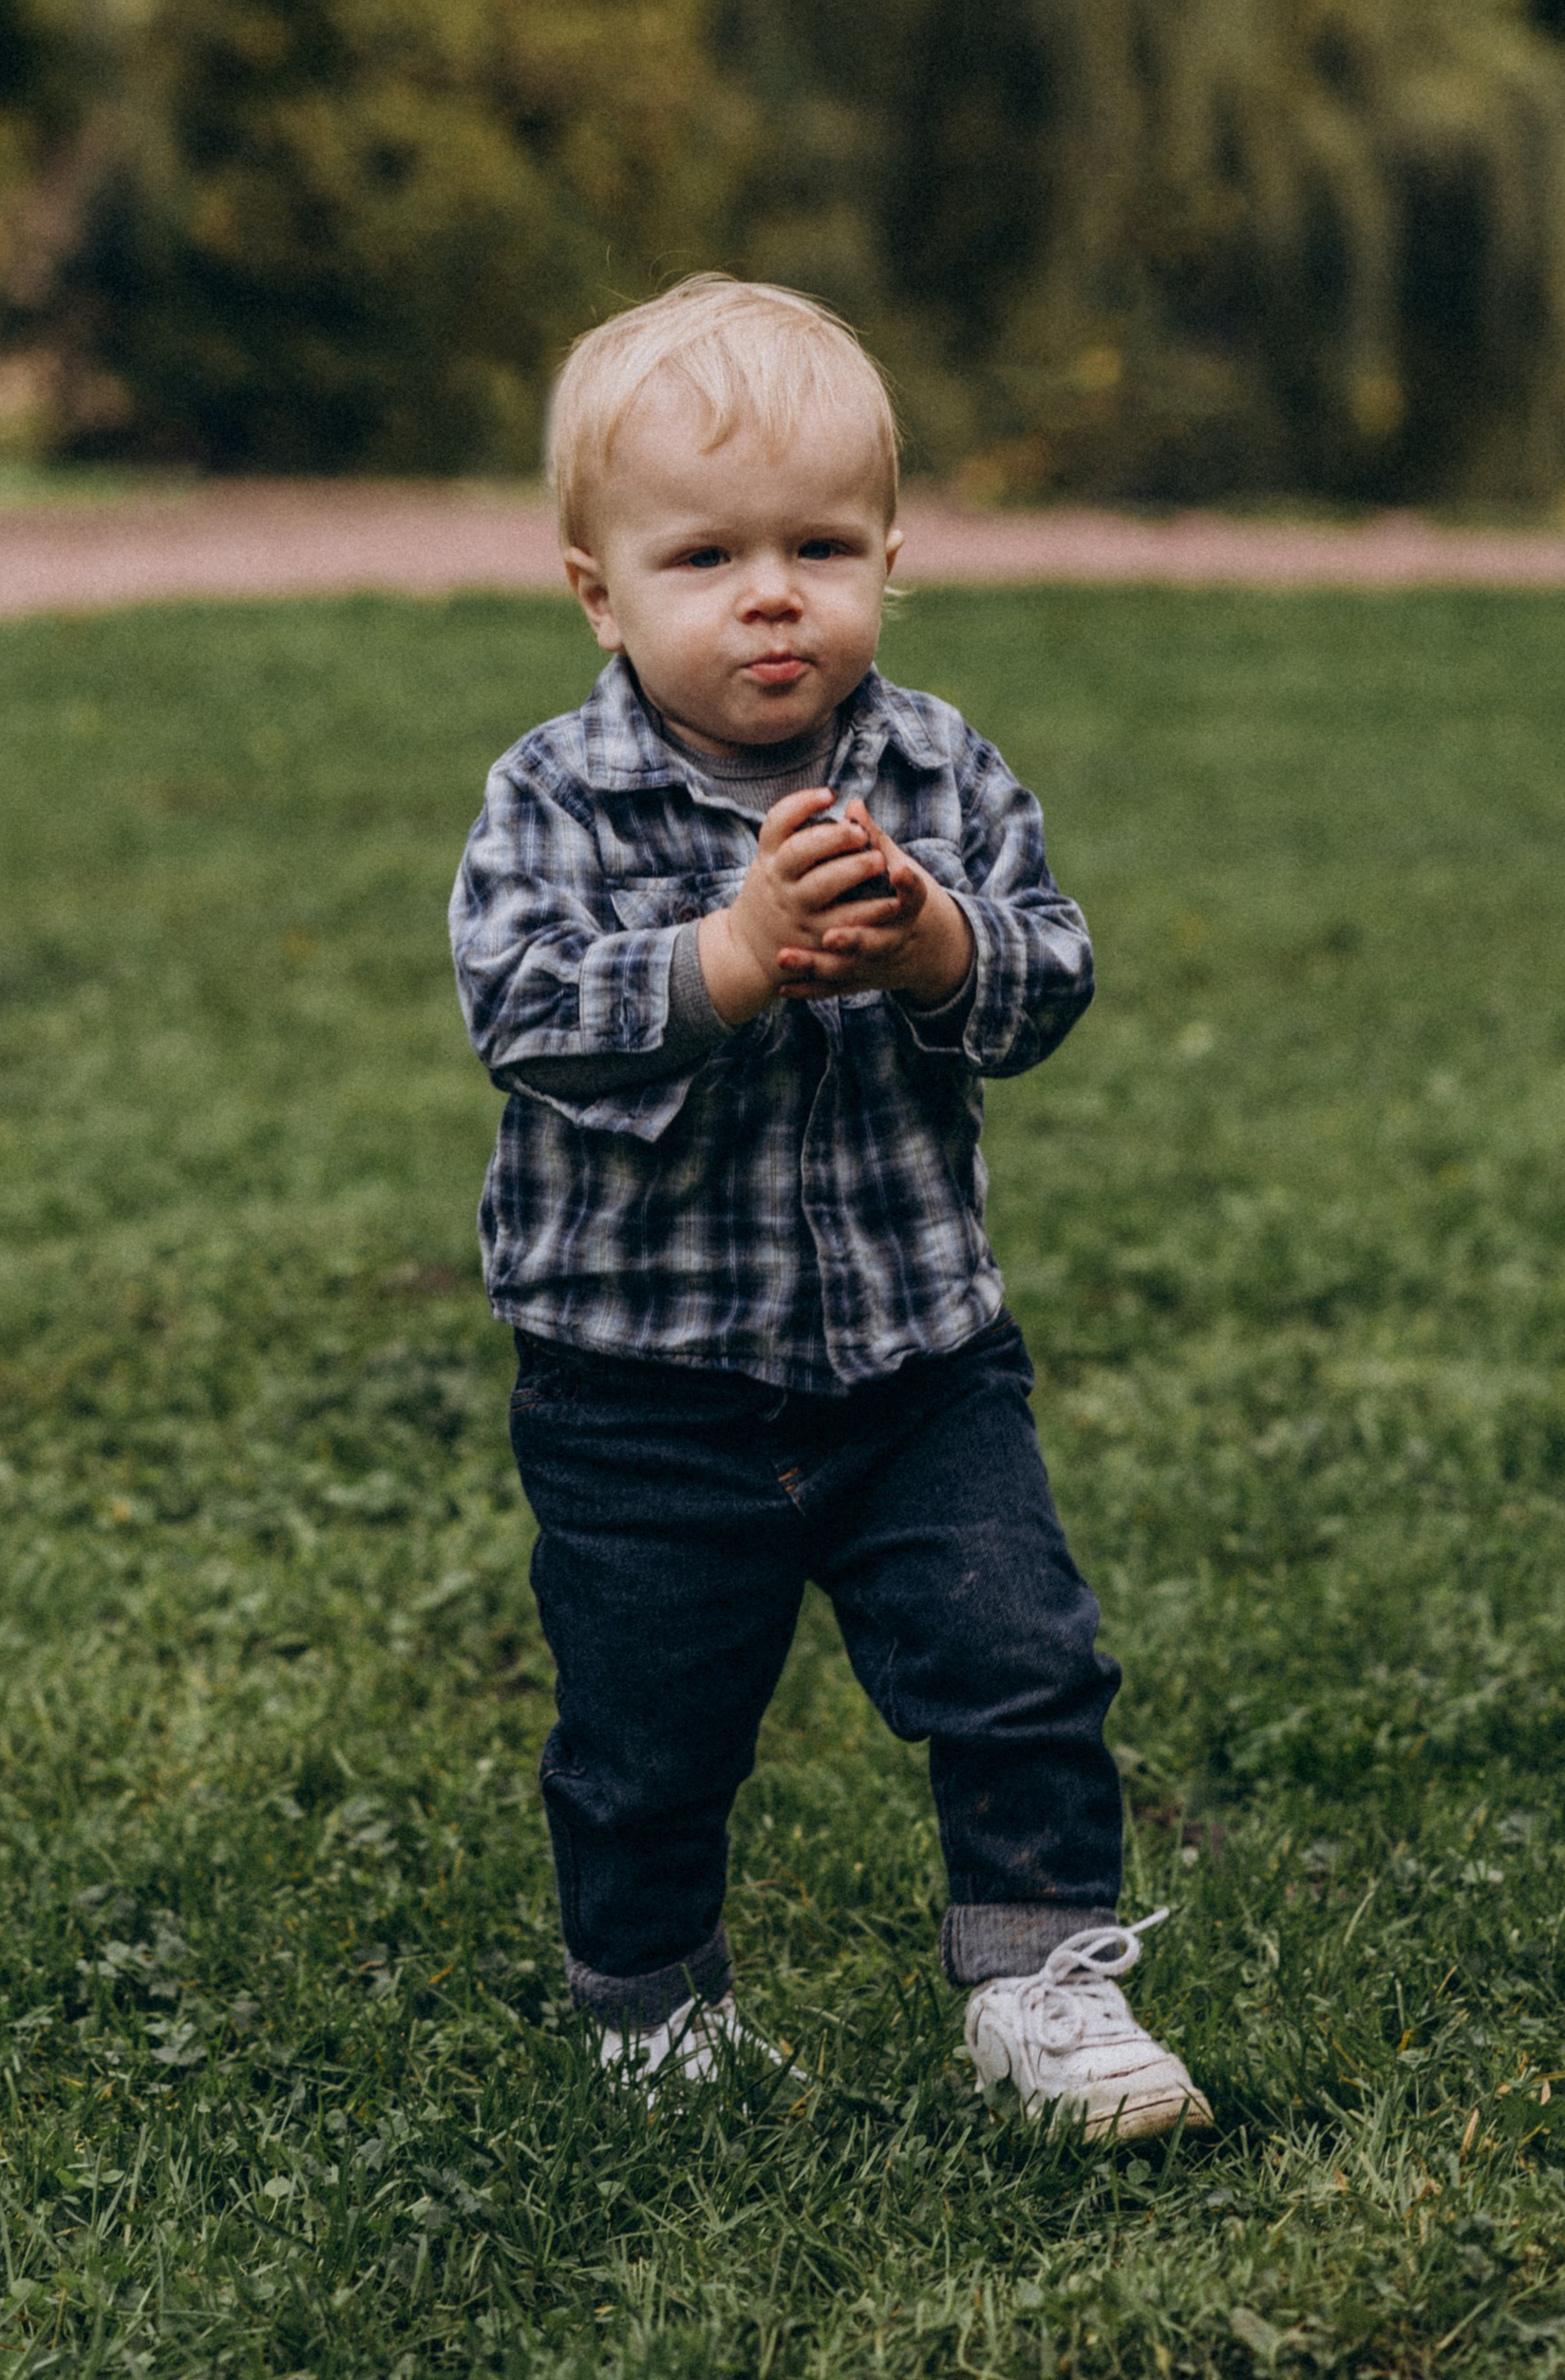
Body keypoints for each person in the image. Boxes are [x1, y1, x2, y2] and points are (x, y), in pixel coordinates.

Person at [449, 274, 1207, 2138]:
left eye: (819, 547)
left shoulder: (938, 772)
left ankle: (1041, 1986)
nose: (770, 594)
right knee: (649, 1729)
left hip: (915, 1364)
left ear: (889, 559)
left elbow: (1045, 978)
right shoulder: (554, 795)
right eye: (705, 555)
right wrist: (731, 954)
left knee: (1020, 1658)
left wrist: (936, 942)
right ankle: (653, 2011)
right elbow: (525, 1017)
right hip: (639, 1387)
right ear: (599, 592)